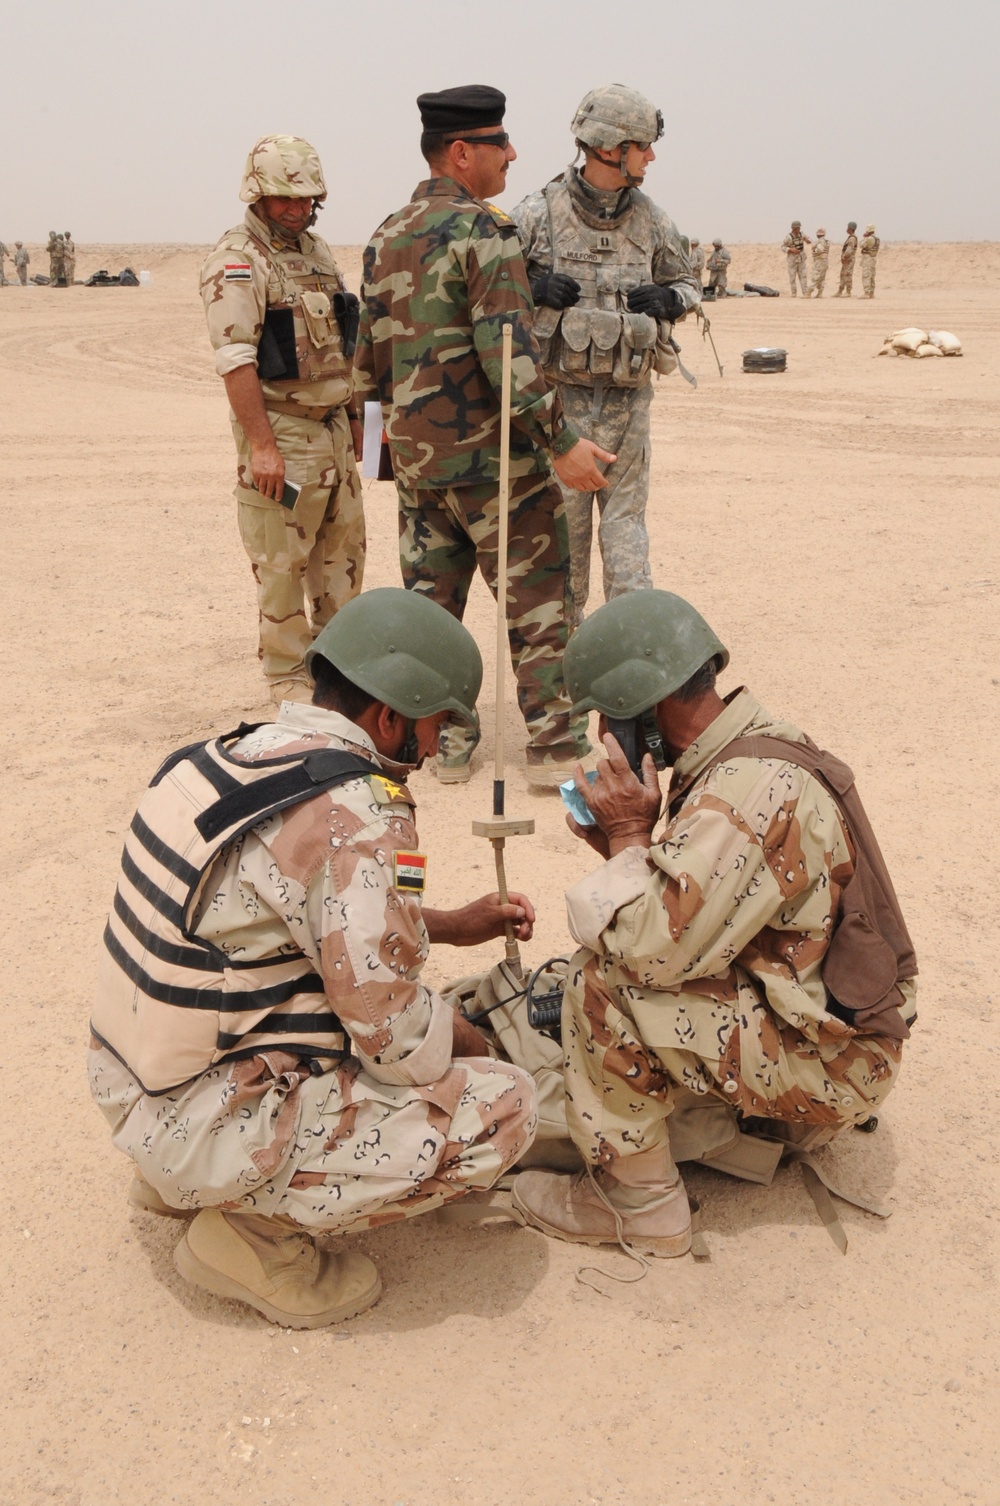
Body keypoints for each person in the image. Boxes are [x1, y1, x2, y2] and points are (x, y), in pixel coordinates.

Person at [89, 587, 539, 1328]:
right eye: (433, 727)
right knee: (504, 1105)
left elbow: (293, 919)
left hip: (136, 1085)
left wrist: (452, 925)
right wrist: (465, 1039)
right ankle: (252, 1236)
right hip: (205, 1122)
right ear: (388, 715)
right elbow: (395, 1036)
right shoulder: (356, 811)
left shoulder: (221, 760)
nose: (432, 750)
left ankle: (181, 1177)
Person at [513, 590, 916, 1256]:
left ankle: (639, 1208)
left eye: (606, 717)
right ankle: (760, 1122)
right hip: (834, 1020)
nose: (601, 737)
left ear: (645, 704)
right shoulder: (757, 748)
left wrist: (625, 839)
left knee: (600, 986)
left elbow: (648, 955)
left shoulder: (743, 791)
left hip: (838, 1061)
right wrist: (635, 850)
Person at [355, 85, 612, 788]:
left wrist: (388, 462)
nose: (513, 153)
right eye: (501, 142)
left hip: (419, 470)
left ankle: (446, 741)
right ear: (463, 153)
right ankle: (554, 746)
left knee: (428, 612)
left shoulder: (384, 235)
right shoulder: (484, 232)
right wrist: (561, 445)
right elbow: (510, 356)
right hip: (497, 468)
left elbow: (366, 366)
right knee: (537, 606)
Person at [511, 85, 700, 630]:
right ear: (610, 147)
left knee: (627, 549)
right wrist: (531, 287)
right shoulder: (536, 215)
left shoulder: (653, 222)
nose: (651, 156)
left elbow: (687, 284)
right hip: (559, 411)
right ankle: (564, 675)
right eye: (643, 145)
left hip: (629, 408)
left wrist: (671, 299)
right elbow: (489, 293)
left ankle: (629, 661)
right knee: (561, 555)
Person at [200, 135, 366, 706]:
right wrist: (262, 448)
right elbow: (236, 360)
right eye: (283, 199)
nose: (297, 209)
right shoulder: (237, 260)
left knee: (343, 554)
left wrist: (354, 414)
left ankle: (339, 667)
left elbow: (345, 338)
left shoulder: (317, 251)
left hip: (334, 430)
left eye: (306, 199)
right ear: (258, 194)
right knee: (282, 560)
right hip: (284, 430)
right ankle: (288, 678)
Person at [781, 220, 811, 297]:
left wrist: (807, 240)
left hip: (801, 258)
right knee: (792, 277)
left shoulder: (802, 234)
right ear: (794, 228)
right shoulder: (788, 237)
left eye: (799, 227)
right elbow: (783, 247)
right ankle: (794, 293)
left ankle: (805, 293)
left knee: (803, 276)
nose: (799, 229)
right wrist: (790, 249)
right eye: (797, 228)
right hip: (792, 259)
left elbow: (809, 240)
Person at [835, 222, 858, 297]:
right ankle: (840, 291)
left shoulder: (852, 239)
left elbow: (849, 249)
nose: (847, 229)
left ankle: (848, 292)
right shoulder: (850, 238)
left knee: (848, 274)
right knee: (843, 275)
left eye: (848, 228)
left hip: (849, 259)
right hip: (847, 259)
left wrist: (844, 256)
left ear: (851, 229)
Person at [860, 224, 880, 299]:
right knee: (872, 276)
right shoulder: (877, 239)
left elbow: (861, 245)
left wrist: (865, 237)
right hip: (873, 258)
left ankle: (866, 293)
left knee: (866, 275)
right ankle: (872, 292)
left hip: (868, 258)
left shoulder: (869, 239)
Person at [810, 228, 829, 297]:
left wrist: (814, 249)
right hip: (824, 261)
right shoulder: (826, 241)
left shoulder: (820, 241)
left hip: (819, 261)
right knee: (822, 278)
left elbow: (819, 250)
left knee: (816, 277)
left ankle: (809, 292)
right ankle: (820, 293)